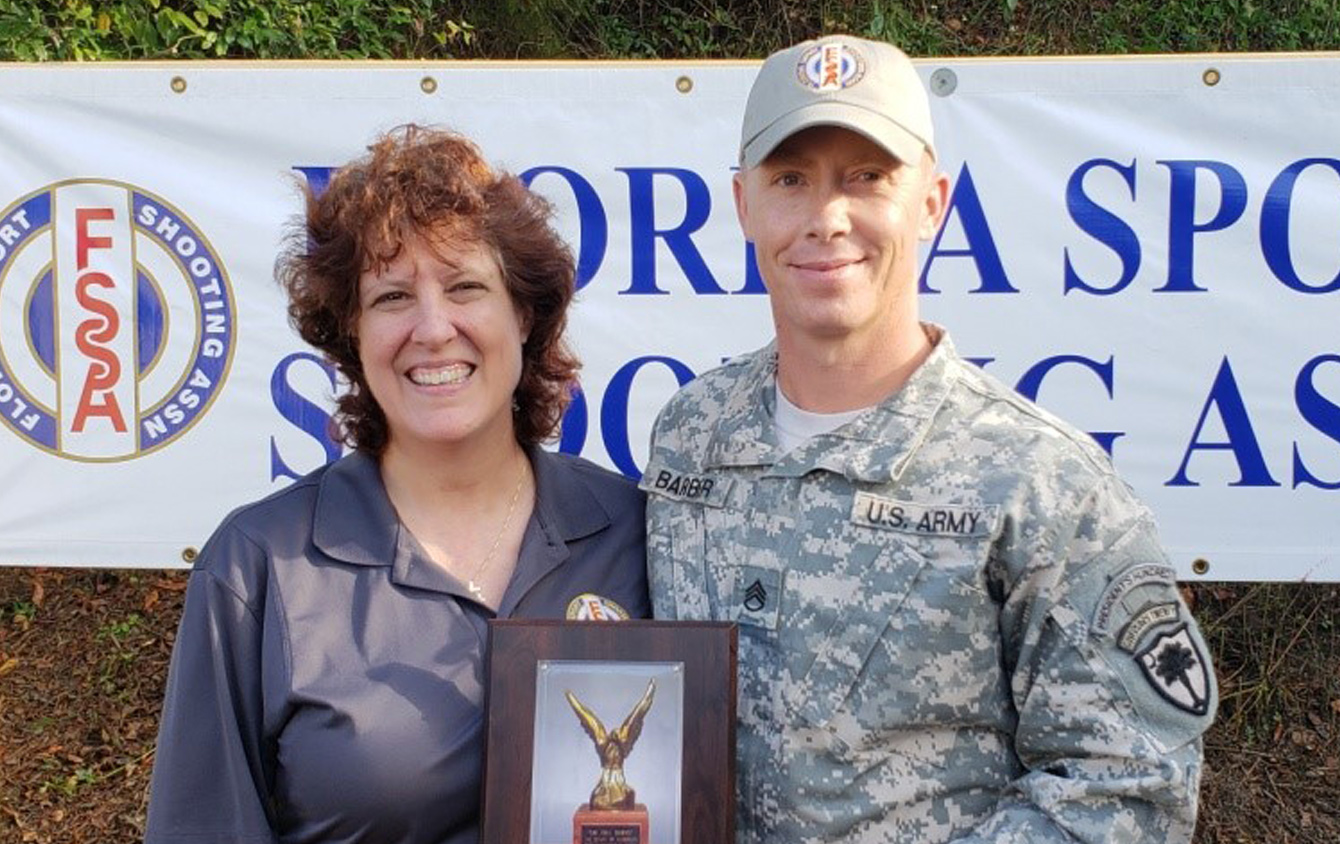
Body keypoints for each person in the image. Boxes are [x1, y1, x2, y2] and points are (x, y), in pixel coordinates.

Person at [642, 35, 1216, 843]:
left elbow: (1128, 788)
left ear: (931, 201)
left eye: (866, 178)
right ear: (744, 205)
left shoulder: (1042, 483)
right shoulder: (691, 435)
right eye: (791, 179)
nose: (826, 218)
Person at [144, 125, 649, 844]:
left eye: (466, 286)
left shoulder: (636, 531)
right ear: (351, 332)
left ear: (525, 313)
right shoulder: (259, 568)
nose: (433, 328)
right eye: (391, 298)